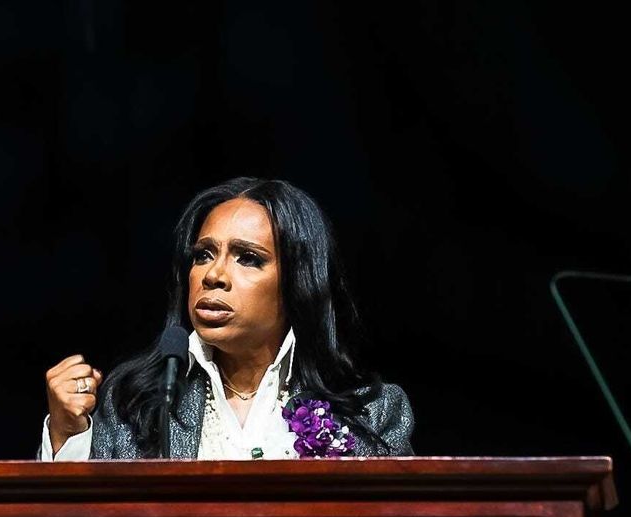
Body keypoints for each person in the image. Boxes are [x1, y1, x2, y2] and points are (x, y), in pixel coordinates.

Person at [41, 177, 413, 461]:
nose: (213, 275)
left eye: (247, 258)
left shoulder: (372, 412)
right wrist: (67, 434)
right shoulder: (131, 403)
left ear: (298, 283)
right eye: (203, 254)